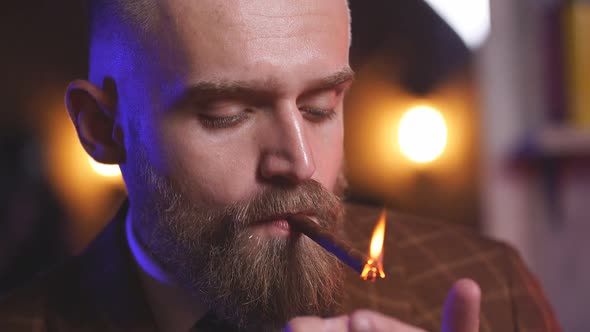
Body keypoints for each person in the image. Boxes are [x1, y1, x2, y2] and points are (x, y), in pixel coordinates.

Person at [0, 0, 561, 331]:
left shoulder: (491, 287)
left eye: (321, 106)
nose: (301, 161)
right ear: (103, 129)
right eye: (226, 114)